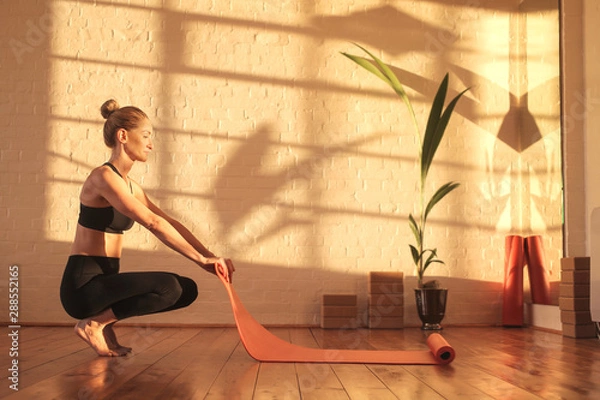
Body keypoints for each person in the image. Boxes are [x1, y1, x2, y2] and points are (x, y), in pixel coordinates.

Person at [60, 99, 235, 357]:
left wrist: (208, 258)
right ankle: (94, 324)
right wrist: (199, 259)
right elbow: (152, 223)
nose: (151, 144)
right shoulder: (103, 177)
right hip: (84, 286)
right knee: (169, 287)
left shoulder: (131, 187)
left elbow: (171, 222)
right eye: (145, 136)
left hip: (106, 284)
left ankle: (102, 324)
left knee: (186, 290)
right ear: (123, 135)